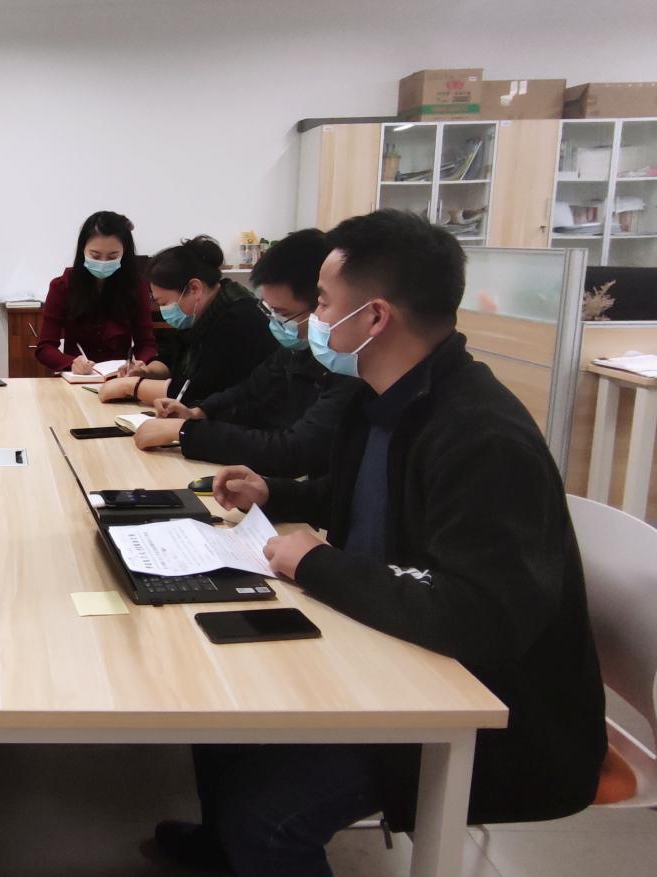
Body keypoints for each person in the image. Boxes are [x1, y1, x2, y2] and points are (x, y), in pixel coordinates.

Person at [153, 210, 606, 877]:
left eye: (322, 303)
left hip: (486, 707)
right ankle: (224, 854)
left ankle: (247, 845)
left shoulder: (481, 436)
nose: (312, 320)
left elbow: (474, 612)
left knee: (268, 815)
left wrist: (316, 562)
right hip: (388, 644)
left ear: (374, 317)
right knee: (221, 718)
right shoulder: (385, 396)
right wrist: (274, 494)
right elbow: (365, 493)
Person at [133, 229, 361, 475]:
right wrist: (199, 412)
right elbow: (252, 388)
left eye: (282, 314)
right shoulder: (296, 349)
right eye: (269, 310)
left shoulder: (347, 367)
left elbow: (295, 449)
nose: (274, 322)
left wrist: (187, 432)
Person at [98, 236, 276, 406]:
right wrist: (146, 372)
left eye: (164, 303)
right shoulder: (198, 315)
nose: (164, 310)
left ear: (194, 288)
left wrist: (129, 387)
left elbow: (196, 392)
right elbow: (170, 357)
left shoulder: (238, 320)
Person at [34, 210, 159, 375]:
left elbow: (146, 344)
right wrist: (71, 363)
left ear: (125, 253)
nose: (103, 262)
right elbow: (45, 348)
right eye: (95, 255)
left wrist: (140, 363)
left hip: (120, 378)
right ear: (83, 250)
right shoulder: (62, 286)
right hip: (78, 378)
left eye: (113, 256)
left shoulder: (136, 286)